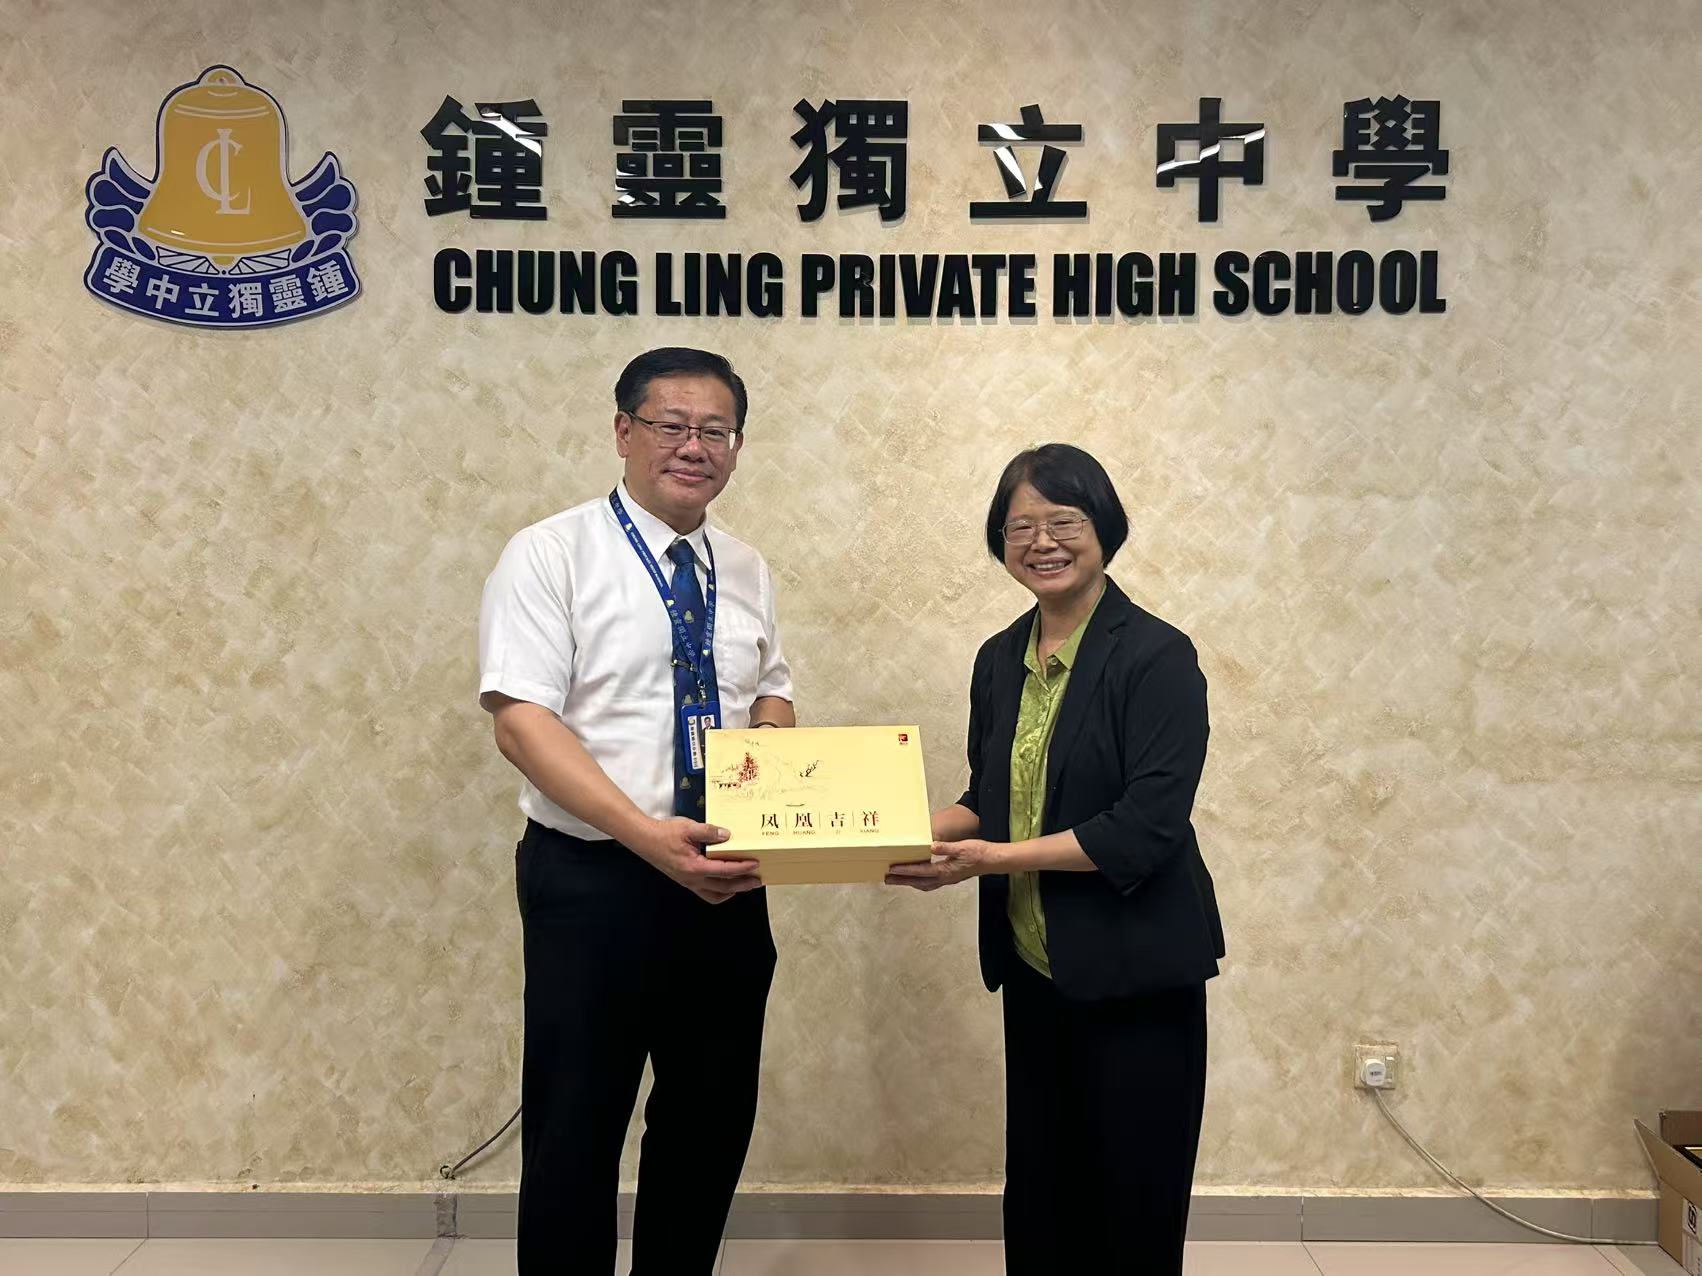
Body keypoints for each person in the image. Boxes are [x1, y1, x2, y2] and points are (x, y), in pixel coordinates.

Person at [478, 347, 795, 1275]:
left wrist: (773, 778)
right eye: (672, 426)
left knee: (709, 1115)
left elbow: (771, 690)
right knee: (576, 1123)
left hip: (725, 880)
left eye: (716, 431)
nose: (695, 447)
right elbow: (522, 722)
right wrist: (649, 838)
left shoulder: (745, 567)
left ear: (737, 447)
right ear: (624, 432)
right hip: (594, 879)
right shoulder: (551, 553)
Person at [888, 443, 1224, 1275]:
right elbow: (988, 798)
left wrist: (989, 859)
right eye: (1019, 527)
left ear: (1103, 528)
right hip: (1036, 968)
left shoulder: (1157, 656)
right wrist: (886, 831)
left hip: (1137, 970)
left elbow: (1144, 828)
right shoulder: (999, 657)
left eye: (1063, 522)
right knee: (1041, 1197)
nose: (1041, 542)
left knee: (1133, 1205)